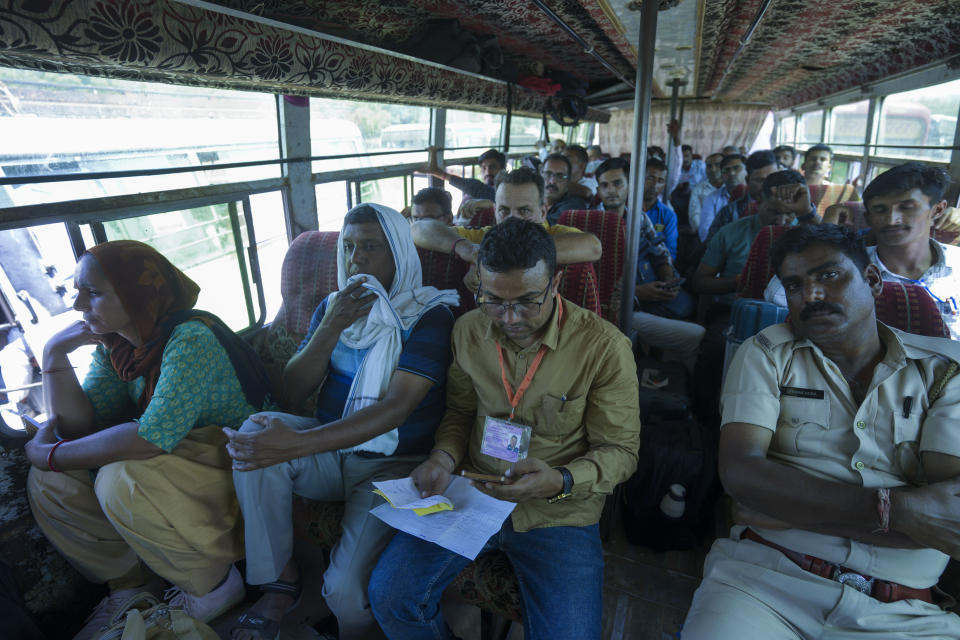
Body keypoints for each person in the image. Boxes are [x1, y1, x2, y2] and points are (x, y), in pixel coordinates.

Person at [368, 217, 641, 640]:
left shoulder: (603, 348)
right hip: (473, 492)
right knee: (389, 596)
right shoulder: (468, 330)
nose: (509, 317)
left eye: (527, 302)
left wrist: (561, 479)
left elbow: (621, 451)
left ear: (554, 283)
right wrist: (442, 459)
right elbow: (459, 413)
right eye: (493, 300)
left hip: (558, 513)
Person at [682, 224, 960, 638]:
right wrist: (900, 511)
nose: (811, 294)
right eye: (795, 285)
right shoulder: (769, 354)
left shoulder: (944, 371)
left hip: (903, 612)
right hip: (766, 580)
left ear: (871, 280)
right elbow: (742, 475)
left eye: (829, 276)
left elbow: (947, 518)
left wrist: (781, 508)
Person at [226, 204, 458, 640]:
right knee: (254, 431)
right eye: (348, 247)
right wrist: (330, 326)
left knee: (345, 596)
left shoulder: (430, 316)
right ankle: (280, 581)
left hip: (392, 466)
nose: (356, 260)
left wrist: (295, 446)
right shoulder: (334, 308)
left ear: (401, 254)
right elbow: (294, 391)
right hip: (329, 453)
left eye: (371, 247)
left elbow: (396, 409)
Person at [25, 240, 272, 640]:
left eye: (94, 292)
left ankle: (212, 585)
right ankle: (134, 583)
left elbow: (150, 437)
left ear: (137, 294)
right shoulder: (120, 347)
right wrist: (54, 355)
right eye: (77, 291)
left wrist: (49, 453)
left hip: (238, 471)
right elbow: (79, 427)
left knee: (120, 478)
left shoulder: (191, 338)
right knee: (51, 480)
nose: (77, 305)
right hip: (183, 471)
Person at [410, 167, 601, 291]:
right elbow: (418, 228)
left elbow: (593, 247)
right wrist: (469, 250)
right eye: (504, 210)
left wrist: (492, 256)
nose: (513, 219)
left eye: (524, 210)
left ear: (543, 212)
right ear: (495, 211)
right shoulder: (482, 237)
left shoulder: (557, 234)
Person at [596, 157, 705, 373]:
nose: (611, 191)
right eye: (604, 185)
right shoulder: (589, 222)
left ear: (630, 186)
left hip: (645, 289)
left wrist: (666, 275)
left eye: (618, 184)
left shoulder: (638, 218)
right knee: (698, 336)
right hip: (617, 306)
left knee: (685, 303)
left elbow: (659, 250)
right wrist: (635, 293)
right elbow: (593, 283)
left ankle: (665, 376)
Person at [862, 162, 960, 337]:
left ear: (937, 210)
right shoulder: (853, 270)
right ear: (867, 218)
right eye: (880, 209)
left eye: (907, 208)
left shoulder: (957, 264)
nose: (892, 220)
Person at [703, 150, 780, 244]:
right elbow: (711, 246)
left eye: (773, 179)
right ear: (748, 180)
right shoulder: (729, 212)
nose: (769, 186)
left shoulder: (788, 210)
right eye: (761, 180)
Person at [423, 148, 505, 203]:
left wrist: (439, 173)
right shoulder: (478, 193)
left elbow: (478, 189)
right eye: (484, 168)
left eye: (493, 167)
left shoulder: (506, 189)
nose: (488, 172)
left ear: (502, 169)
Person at [698, 153, 747, 242]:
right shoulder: (711, 198)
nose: (731, 173)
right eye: (726, 170)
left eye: (736, 168)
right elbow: (705, 231)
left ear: (747, 171)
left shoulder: (755, 197)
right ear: (721, 175)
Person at [802, 144, 860, 215]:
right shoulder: (792, 187)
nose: (817, 162)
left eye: (823, 159)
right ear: (803, 165)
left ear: (829, 168)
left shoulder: (839, 191)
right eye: (813, 159)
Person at [641, 157, 680, 259]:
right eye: (650, 178)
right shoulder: (626, 208)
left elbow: (670, 251)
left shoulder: (668, 215)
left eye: (660, 181)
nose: (654, 185)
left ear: (664, 185)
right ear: (640, 177)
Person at [542, 153, 590, 225]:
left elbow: (545, 228)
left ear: (568, 181)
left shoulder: (574, 207)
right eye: (548, 174)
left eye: (560, 176)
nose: (552, 181)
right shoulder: (533, 198)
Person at [689, 152, 724, 232]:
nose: (713, 169)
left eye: (717, 165)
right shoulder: (698, 190)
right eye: (709, 166)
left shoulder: (730, 188)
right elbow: (695, 218)